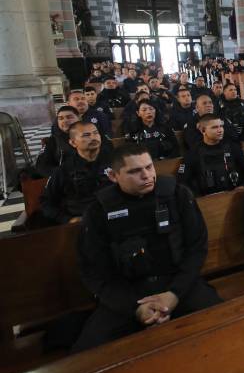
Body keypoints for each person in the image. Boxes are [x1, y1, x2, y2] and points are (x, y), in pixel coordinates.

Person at [72, 144, 222, 352]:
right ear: (113, 176)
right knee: (86, 356)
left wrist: (174, 293)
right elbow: (93, 270)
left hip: (178, 284)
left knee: (225, 326)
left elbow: (197, 248)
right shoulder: (99, 211)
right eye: (135, 171)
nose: (147, 175)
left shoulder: (176, 194)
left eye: (149, 167)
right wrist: (135, 308)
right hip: (128, 293)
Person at [40, 121, 113, 225]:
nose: (93, 137)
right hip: (83, 222)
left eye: (96, 133)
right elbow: (46, 203)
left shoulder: (113, 161)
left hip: (114, 216)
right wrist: (67, 219)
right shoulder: (63, 171)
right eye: (86, 135)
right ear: (73, 142)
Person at [177, 114, 244, 197]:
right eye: (214, 127)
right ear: (203, 131)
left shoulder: (232, 147)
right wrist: (197, 197)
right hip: (206, 200)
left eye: (221, 126)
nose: (220, 130)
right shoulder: (194, 153)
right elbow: (182, 181)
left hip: (235, 195)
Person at [35, 106, 80, 177]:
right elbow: (42, 166)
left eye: (69, 117)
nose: (65, 121)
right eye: (61, 118)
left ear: (79, 119)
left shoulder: (91, 135)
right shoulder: (53, 141)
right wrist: (61, 174)